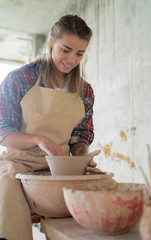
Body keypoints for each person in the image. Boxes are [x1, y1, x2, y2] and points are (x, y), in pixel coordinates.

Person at [0, 14, 100, 240]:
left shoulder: (85, 91)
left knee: (106, 191)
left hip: (62, 167)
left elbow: (80, 136)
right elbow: (3, 130)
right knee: (7, 202)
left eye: (79, 53)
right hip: (17, 164)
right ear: (51, 44)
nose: (72, 59)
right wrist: (38, 139)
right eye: (65, 49)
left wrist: (81, 159)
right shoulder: (20, 79)